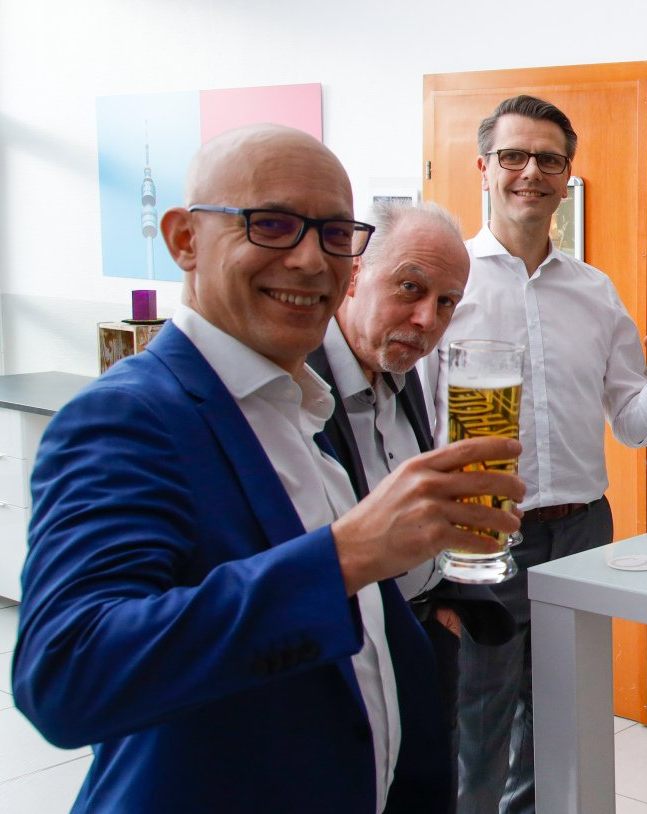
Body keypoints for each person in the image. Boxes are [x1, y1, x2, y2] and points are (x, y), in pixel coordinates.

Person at [11, 125, 524, 813]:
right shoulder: (127, 415)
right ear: (185, 240)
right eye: (272, 225)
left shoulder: (298, 404)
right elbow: (68, 676)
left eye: (335, 234)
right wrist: (346, 556)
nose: (311, 260)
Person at [435, 95, 647, 814]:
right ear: (484, 168)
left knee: (563, 724)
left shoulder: (594, 290)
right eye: (514, 156)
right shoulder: (448, 282)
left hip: (582, 532)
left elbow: (632, 424)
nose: (531, 172)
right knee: (476, 730)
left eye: (549, 160)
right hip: (480, 534)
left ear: (566, 177)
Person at [306, 200, 514, 796]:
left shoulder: (401, 370)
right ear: (353, 276)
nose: (427, 318)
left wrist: (445, 607)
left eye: (447, 302)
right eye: (409, 288)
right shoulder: (298, 383)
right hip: (344, 652)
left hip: (424, 638)